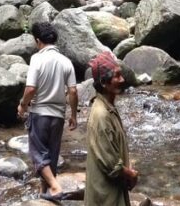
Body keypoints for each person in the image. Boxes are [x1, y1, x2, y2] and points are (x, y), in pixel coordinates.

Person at [17, 22, 78, 202]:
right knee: (51, 155)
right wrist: (73, 115)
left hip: (40, 113)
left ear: (38, 41)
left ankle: (54, 185)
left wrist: (22, 105)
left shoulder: (37, 59)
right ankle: (45, 194)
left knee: (37, 154)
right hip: (58, 116)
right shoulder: (66, 61)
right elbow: (73, 91)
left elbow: (30, 89)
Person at [85, 51, 137, 206]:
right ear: (103, 82)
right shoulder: (102, 115)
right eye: (116, 76)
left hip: (111, 191)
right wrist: (131, 174)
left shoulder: (108, 106)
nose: (122, 79)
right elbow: (111, 165)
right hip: (106, 196)